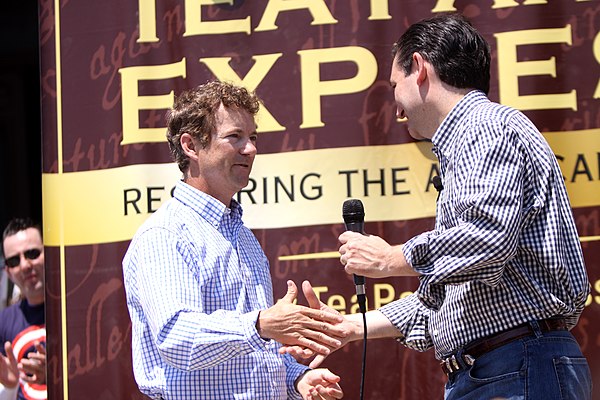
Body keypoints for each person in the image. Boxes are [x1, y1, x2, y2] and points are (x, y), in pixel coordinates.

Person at [289, 13, 592, 400]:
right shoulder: (470, 140)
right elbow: (451, 302)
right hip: (502, 368)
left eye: (394, 85)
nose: (396, 106)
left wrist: (392, 258)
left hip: (516, 367)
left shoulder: (484, 127)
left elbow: (488, 240)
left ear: (419, 68)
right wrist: (349, 327)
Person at [122, 81, 346, 400]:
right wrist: (260, 324)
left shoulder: (242, 236)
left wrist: (298, 380)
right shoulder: (165, 234)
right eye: (235, 137)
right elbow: (176, 338)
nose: (251, 149)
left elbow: (250, 357)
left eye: (252, 137)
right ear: (190, 145)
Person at [0, 218, 47, 400]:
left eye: (32, 253)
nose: (25, 265)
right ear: (8, 272)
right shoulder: (4, 322)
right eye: (14, 260)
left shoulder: (76, 310)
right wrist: (10, 386)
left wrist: (54, 375)